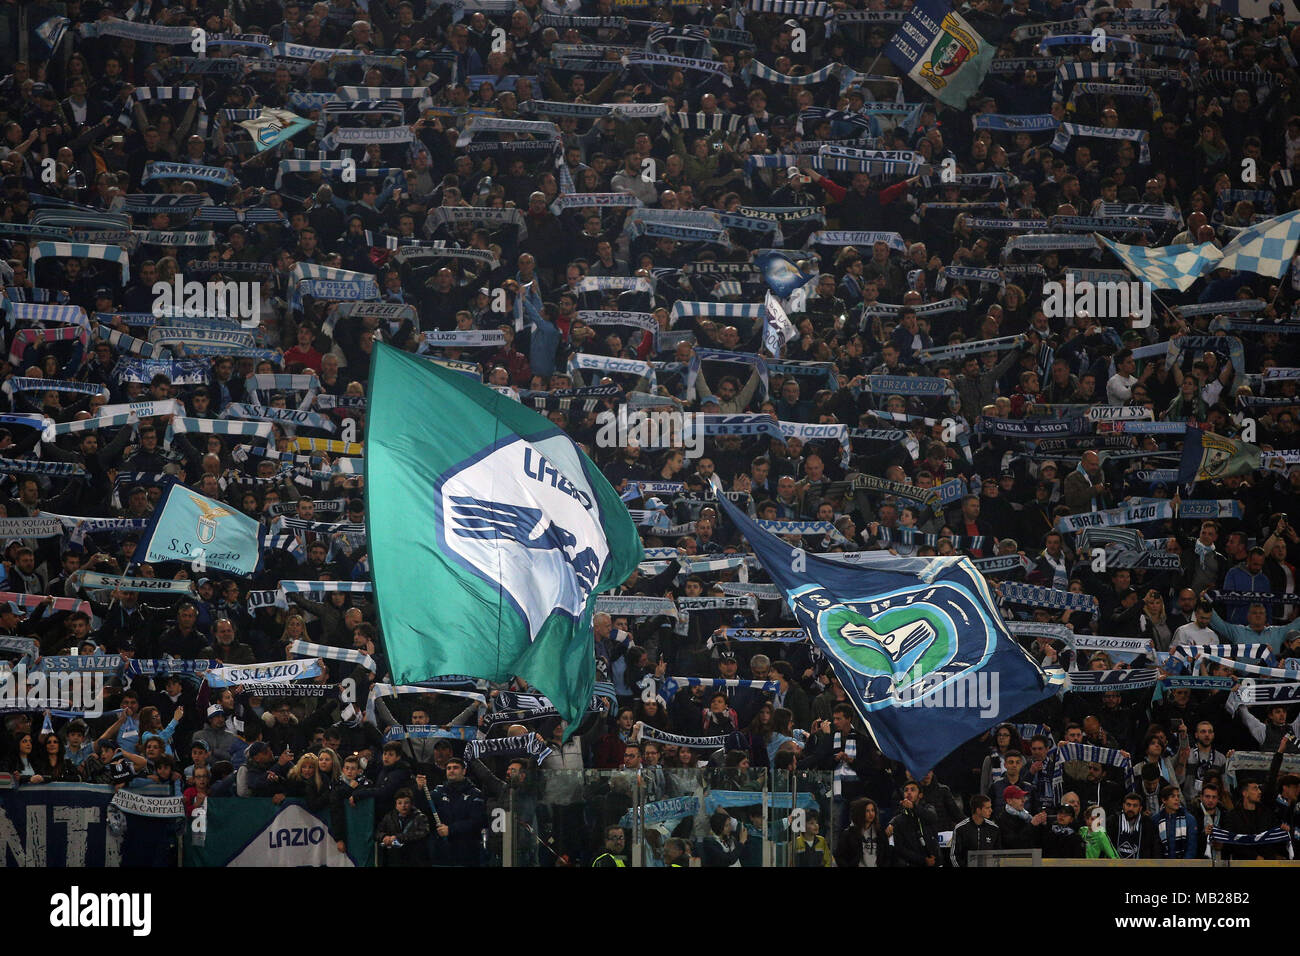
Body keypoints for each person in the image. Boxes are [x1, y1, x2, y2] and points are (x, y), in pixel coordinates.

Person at [377, 788, 431, 867]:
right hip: (394, 859)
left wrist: (398, 837)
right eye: (400, 803)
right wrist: (384, 837)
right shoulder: (389, 817)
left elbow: (422, 833)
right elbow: (378, 832)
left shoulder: (420, 817)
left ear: (411, 804)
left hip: (415, 859)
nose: (403, 806)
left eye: (406, 803)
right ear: (396, 805)